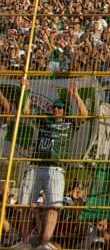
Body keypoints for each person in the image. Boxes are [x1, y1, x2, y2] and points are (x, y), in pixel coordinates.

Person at [13, 80, 89, 250]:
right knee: (24, 205)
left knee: (54, 206)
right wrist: (25, 92)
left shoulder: (69, 124)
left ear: (64, 110)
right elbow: (26, 112)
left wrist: (75, 95)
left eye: (60, 107)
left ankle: (46, 243)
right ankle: (25, 241)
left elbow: (84, 114)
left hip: (56, 168)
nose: (56, 109)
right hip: (36, 166)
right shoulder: (44, 121)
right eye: (54, 107)